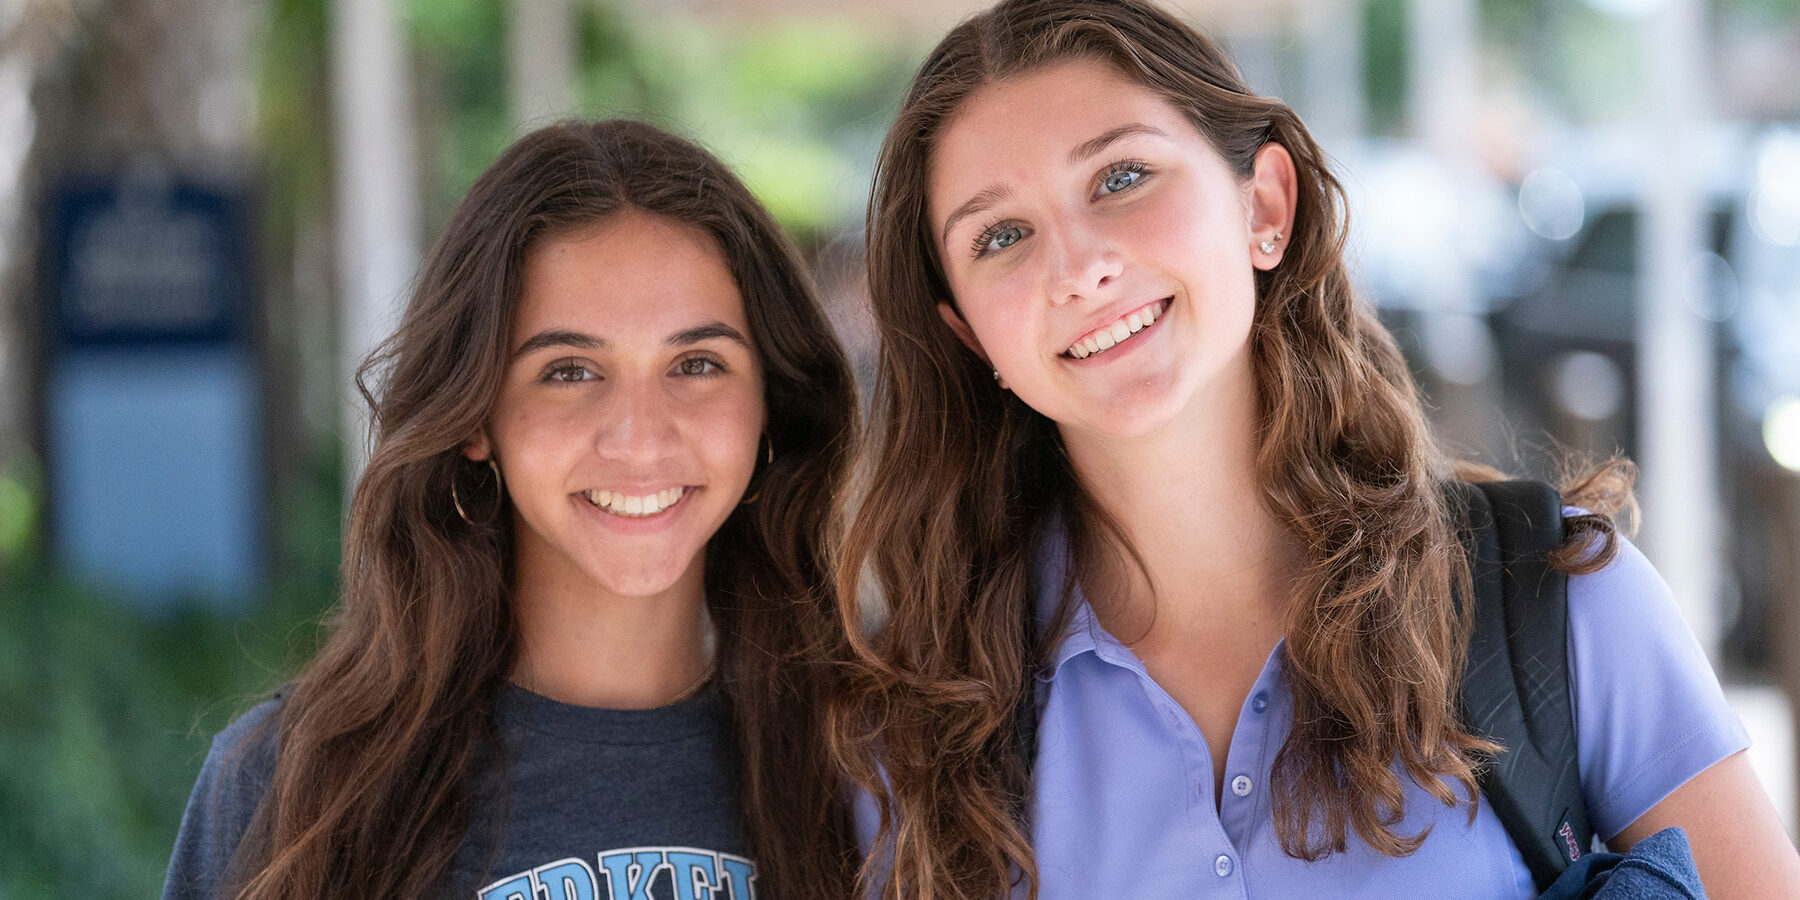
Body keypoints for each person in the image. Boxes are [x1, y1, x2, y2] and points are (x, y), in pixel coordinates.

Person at [826, 1, 1800, 897]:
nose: (1078, 268)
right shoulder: (911, 730)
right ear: (969, 335)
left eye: (1121, 177)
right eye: (1000, 235)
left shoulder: (1553, 597)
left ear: (1265, 208)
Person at [163, 119, 860, 900]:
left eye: (697, 363)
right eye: (569, 370)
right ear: (473, 417)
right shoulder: (297, 788)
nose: (639, 437)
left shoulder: (870, 769)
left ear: (770, 401)